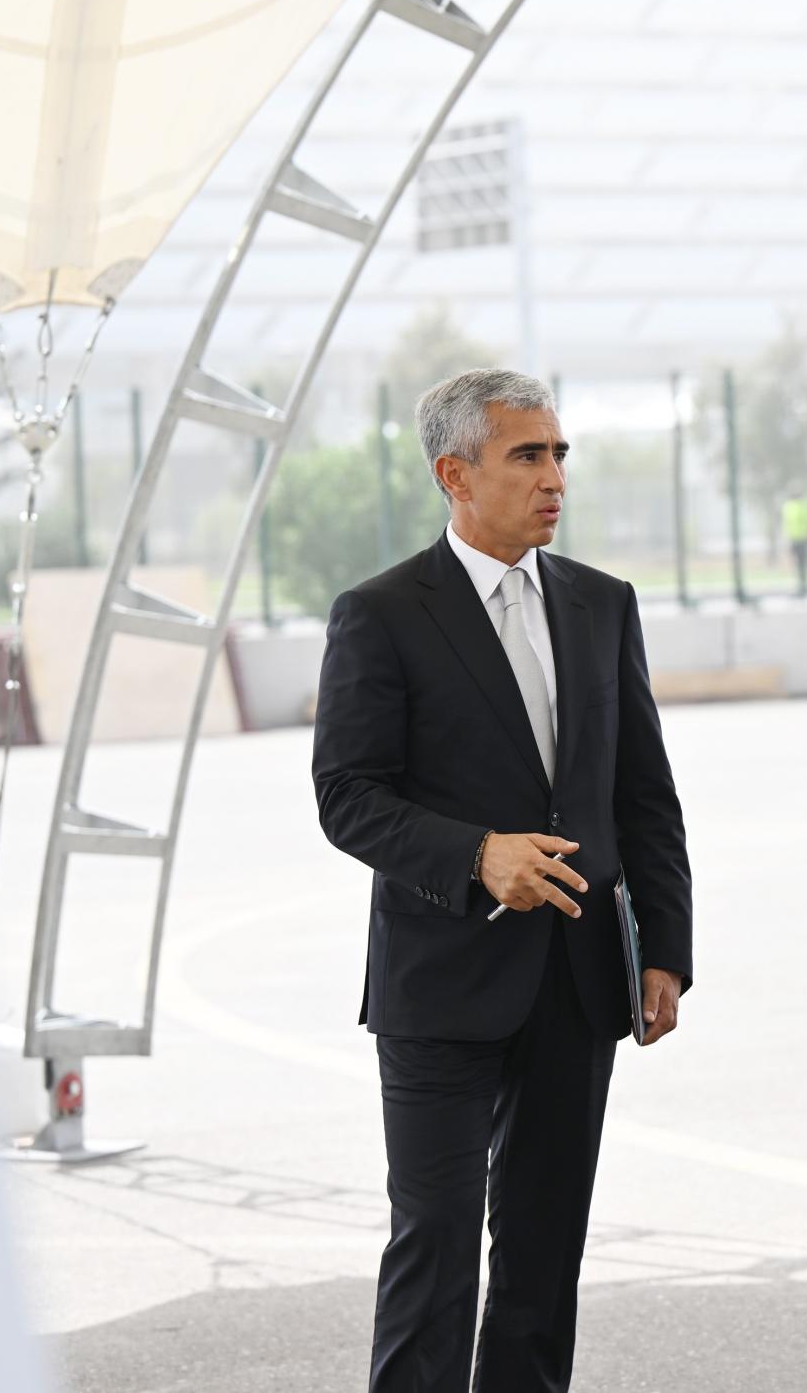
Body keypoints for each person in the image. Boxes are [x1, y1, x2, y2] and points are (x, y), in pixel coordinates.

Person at [312, 368, 693, 1393]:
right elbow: (346, 794)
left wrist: (664, 950)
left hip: (576, 981)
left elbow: (643, 794)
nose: (554, 475)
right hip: (439, 983)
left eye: (560, 452)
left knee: (542, 1250)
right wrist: (478, 853)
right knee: (433, 1249)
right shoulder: (383, 613)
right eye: (527, 454)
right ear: (455, 473)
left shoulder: (602, 604)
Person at [782, 486, 807, 596]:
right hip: (793, 539)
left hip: (804, 538)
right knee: (795, 564)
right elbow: (786, 523)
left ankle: (804, 587)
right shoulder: (788, 505)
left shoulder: (806, 504)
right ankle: (798, 586)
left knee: (803, 564)